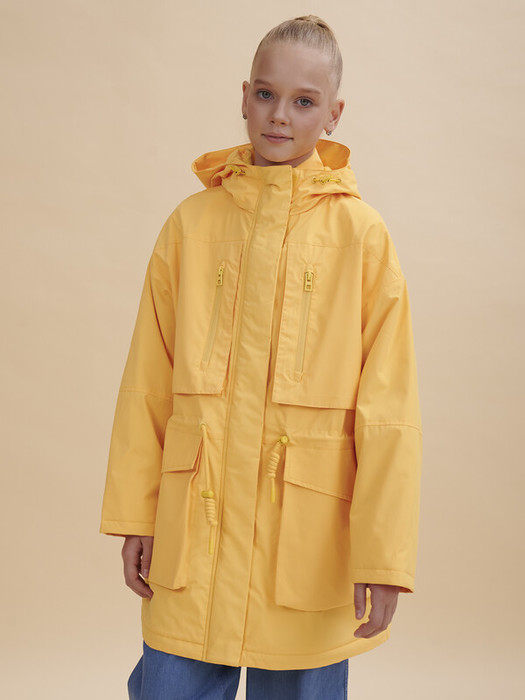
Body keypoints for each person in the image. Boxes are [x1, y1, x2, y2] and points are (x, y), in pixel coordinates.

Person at [100, 14, 422, 700]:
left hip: (305, 549)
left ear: (333, 115)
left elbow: (389, 411)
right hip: (195, 539)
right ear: (244, 96)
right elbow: (147, 382)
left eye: (304, 101)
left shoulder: (361, 237)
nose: (280, 115)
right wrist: (136, 514)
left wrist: (383, 555)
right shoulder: (190, 226)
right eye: (267, 95)